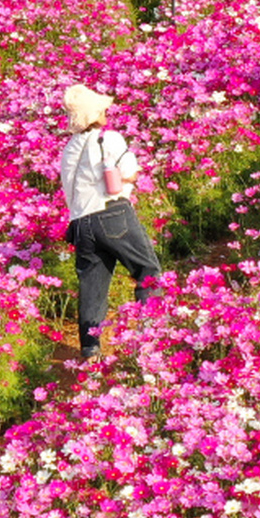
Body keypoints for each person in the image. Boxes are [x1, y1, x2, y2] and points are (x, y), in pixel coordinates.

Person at [58, 84, 161, 358]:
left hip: (81, 224)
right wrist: (127, 177)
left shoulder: (68, 149)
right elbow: (129, 173)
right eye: (102, 108)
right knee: (148, 271)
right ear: (94, 113)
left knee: (92, 286)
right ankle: (152, 338)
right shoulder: (109, 138)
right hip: (112, 214)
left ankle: (90, 350)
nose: (106, 110)